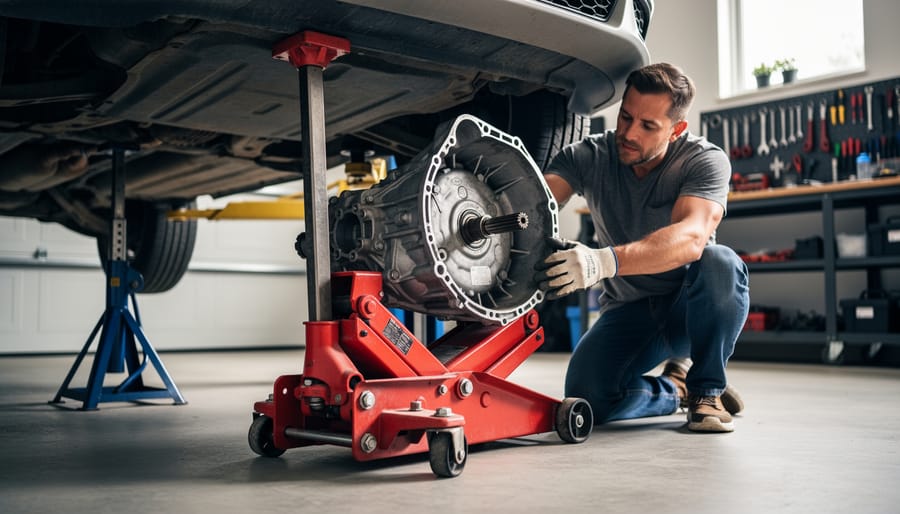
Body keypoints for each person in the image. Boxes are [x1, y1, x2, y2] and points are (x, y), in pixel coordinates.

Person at [535, 62, 750, 433]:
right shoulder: (591, 156)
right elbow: (533, 202)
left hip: (688, 308)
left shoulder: (703, 161)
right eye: (625, 117)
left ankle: (706, 390)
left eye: (648, 126)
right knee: (587, 396)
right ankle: (674, 389)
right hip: (629, 311)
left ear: (676, 129)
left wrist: (603, 262)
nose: (629, 133)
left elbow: (691, 237)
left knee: (720, 263)